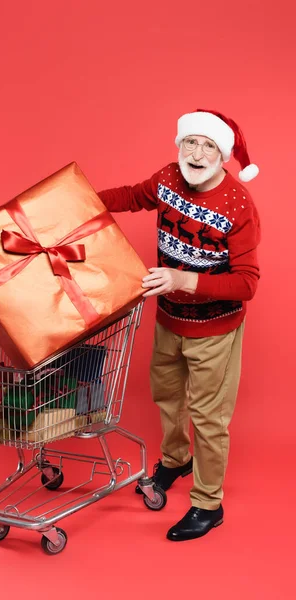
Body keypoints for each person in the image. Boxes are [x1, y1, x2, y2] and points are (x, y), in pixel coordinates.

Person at [98, 109, 261, 541]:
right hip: (169, 319)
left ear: (222, 155)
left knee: (208, 418)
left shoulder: (238, 203)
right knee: (167, 395)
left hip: (216, 331)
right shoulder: (169, 178)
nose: (197, 152)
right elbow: (133, 195)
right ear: (179, 144)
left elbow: (247, 284)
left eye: (209, 146)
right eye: (191, 142)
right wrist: (81, 201)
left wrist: (181, 279)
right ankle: (175, 460)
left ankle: (209, 504)